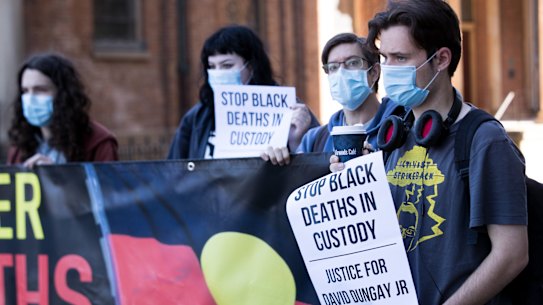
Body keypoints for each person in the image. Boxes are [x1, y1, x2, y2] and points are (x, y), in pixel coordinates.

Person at [331, 1, 528, 304]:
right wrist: (354, 186)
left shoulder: (486, 141)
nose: (388, 69)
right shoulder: (392, 137)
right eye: (384, 58)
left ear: (441, 59)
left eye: (400, 57)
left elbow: (512, 254)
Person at [167, 25, 318, 160]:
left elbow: (318, 162)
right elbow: (174, 173)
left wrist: (296, 145)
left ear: (251, 67)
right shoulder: (197, 117)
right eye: (212, 66)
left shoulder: (290, 109)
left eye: (227, 66)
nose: (217, 73)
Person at [296, 33, 404, 154]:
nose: (341, 73)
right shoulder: (315, 141)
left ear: (374, 72)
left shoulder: (401, 128)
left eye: (353, 63)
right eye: (333, 67)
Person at [7, 53, 118, 167]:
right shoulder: (20, 145)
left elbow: (108, 184)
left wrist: (59, 176)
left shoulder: (98, 142)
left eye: (40, 90)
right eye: (25, 91)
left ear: (63, 94)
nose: (30, 98)